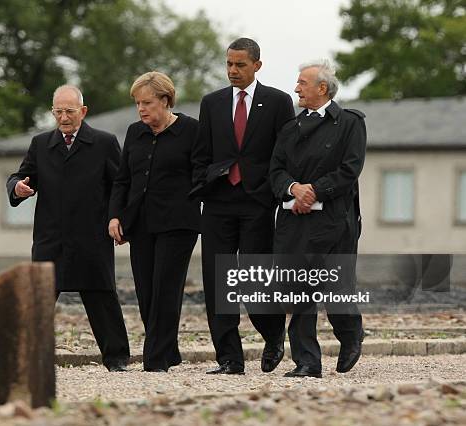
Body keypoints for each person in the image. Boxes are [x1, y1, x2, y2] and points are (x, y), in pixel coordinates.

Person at [6, 85, 130, 372]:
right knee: (40, 299)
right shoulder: (40, 144)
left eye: (69, 112)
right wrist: (19, 187)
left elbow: (121, 186)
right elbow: (20, 176)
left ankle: (117, 358)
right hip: (51, 237)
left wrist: (117, 218)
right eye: (58, 112)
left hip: (92, 236)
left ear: (83, 112)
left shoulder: (104, 142)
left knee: (102, 297)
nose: (63, 118)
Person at [190, 38, 294, 375]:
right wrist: (205, 182)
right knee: (219, 281)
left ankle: (273, 334)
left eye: (240, 65)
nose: (233, 71)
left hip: (258, 202)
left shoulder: (278, 102)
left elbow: (285, 154)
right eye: (229, 65)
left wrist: (272, 193)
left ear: (257, 66)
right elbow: (201, 154)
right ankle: (230, 359)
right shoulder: (212, 103)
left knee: (255, 279)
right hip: (219, 201)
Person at [269, 59, 366, 378]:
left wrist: (314, 191)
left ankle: (351, 335)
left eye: (302, 83)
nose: (296, 88)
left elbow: (350, 170)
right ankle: (307, 362)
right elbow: (276, 171)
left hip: (336, 221)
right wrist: (294, 189)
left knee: (337, 288)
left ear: (322, 88)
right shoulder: (289, 129)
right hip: (295, 222)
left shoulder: (350, 123)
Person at [108, 71, 200, 372]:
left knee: (165, 290)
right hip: (141, 223)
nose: (141, 109)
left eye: (147, 102)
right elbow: (122, 180)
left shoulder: (192, 131)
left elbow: (202, 176)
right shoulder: (135, 132)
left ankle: (155, 360)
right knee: (146, 293)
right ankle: (169, 351)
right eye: (137, 103)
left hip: (178, 224)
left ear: (165, 100)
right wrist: (115, 216)